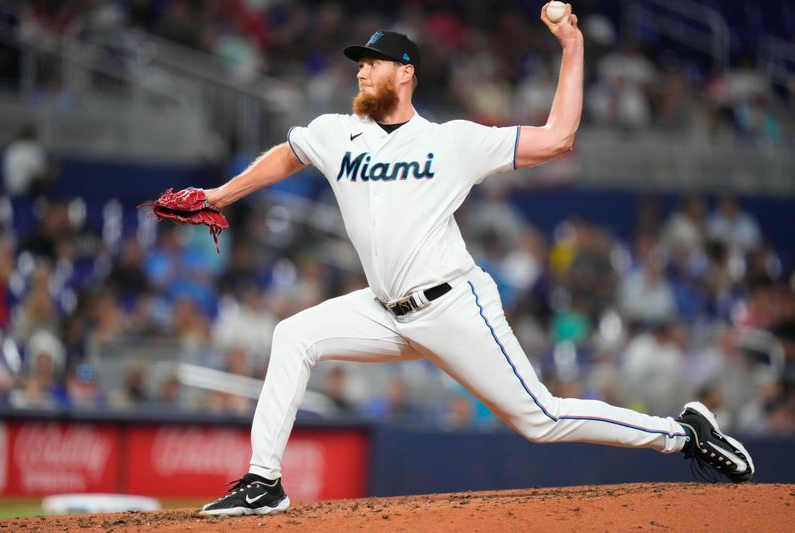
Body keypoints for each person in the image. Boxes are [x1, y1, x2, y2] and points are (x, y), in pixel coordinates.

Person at [196, 4, 754, 517]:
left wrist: (572, 47)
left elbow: (558, 138)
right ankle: (263, 480)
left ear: (406, 72)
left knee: (542, 420)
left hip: (452, 305)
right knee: (294, 336)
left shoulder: (452, 142)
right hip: (382, 309)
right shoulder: (334, 133)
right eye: (359, 64)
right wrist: (219, 197)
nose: (362, 73)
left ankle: (683, 433)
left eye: (375, 63)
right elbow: (287, 155)